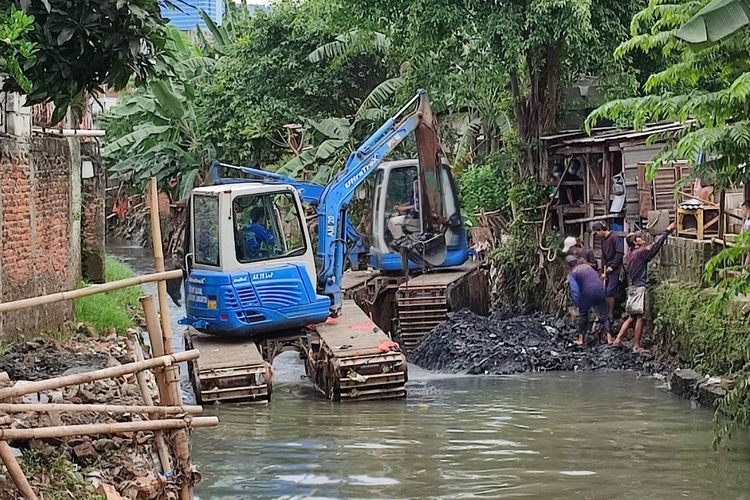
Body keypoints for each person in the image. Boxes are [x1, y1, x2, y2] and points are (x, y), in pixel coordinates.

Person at [613, 222, 676, 352]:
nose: (642, 239)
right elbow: (655, 246)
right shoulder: (640, 253)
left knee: (632, 316)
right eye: (639, 238)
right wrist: (666, 231)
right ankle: (636, 345)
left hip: (632, 288)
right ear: (636, 243)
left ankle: (618, 339)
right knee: (640, 316)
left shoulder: (629, 254)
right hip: (639, 288)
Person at [566, 254, 612, 346]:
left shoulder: (573, 273)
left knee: (584, 315)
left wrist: (578, 305)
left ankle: (580, 339)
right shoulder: (587, 267)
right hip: (600, 290)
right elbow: (595, 277)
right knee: (604, 314)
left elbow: (575, 291)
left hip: (587, 293)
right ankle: (609, 338)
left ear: (568, 266)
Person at [592, 221, 623, 336]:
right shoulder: (603, 241)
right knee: (604, 291)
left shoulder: (614, 238)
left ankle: (610, 314)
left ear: (601, 230)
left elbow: (619, 254)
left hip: (614, 270)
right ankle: (604, 314)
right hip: (607, 269)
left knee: (610, 291)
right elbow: (603, 256)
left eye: (596, 232)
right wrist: (603, 271)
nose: (597, 235)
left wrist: (612, 267)